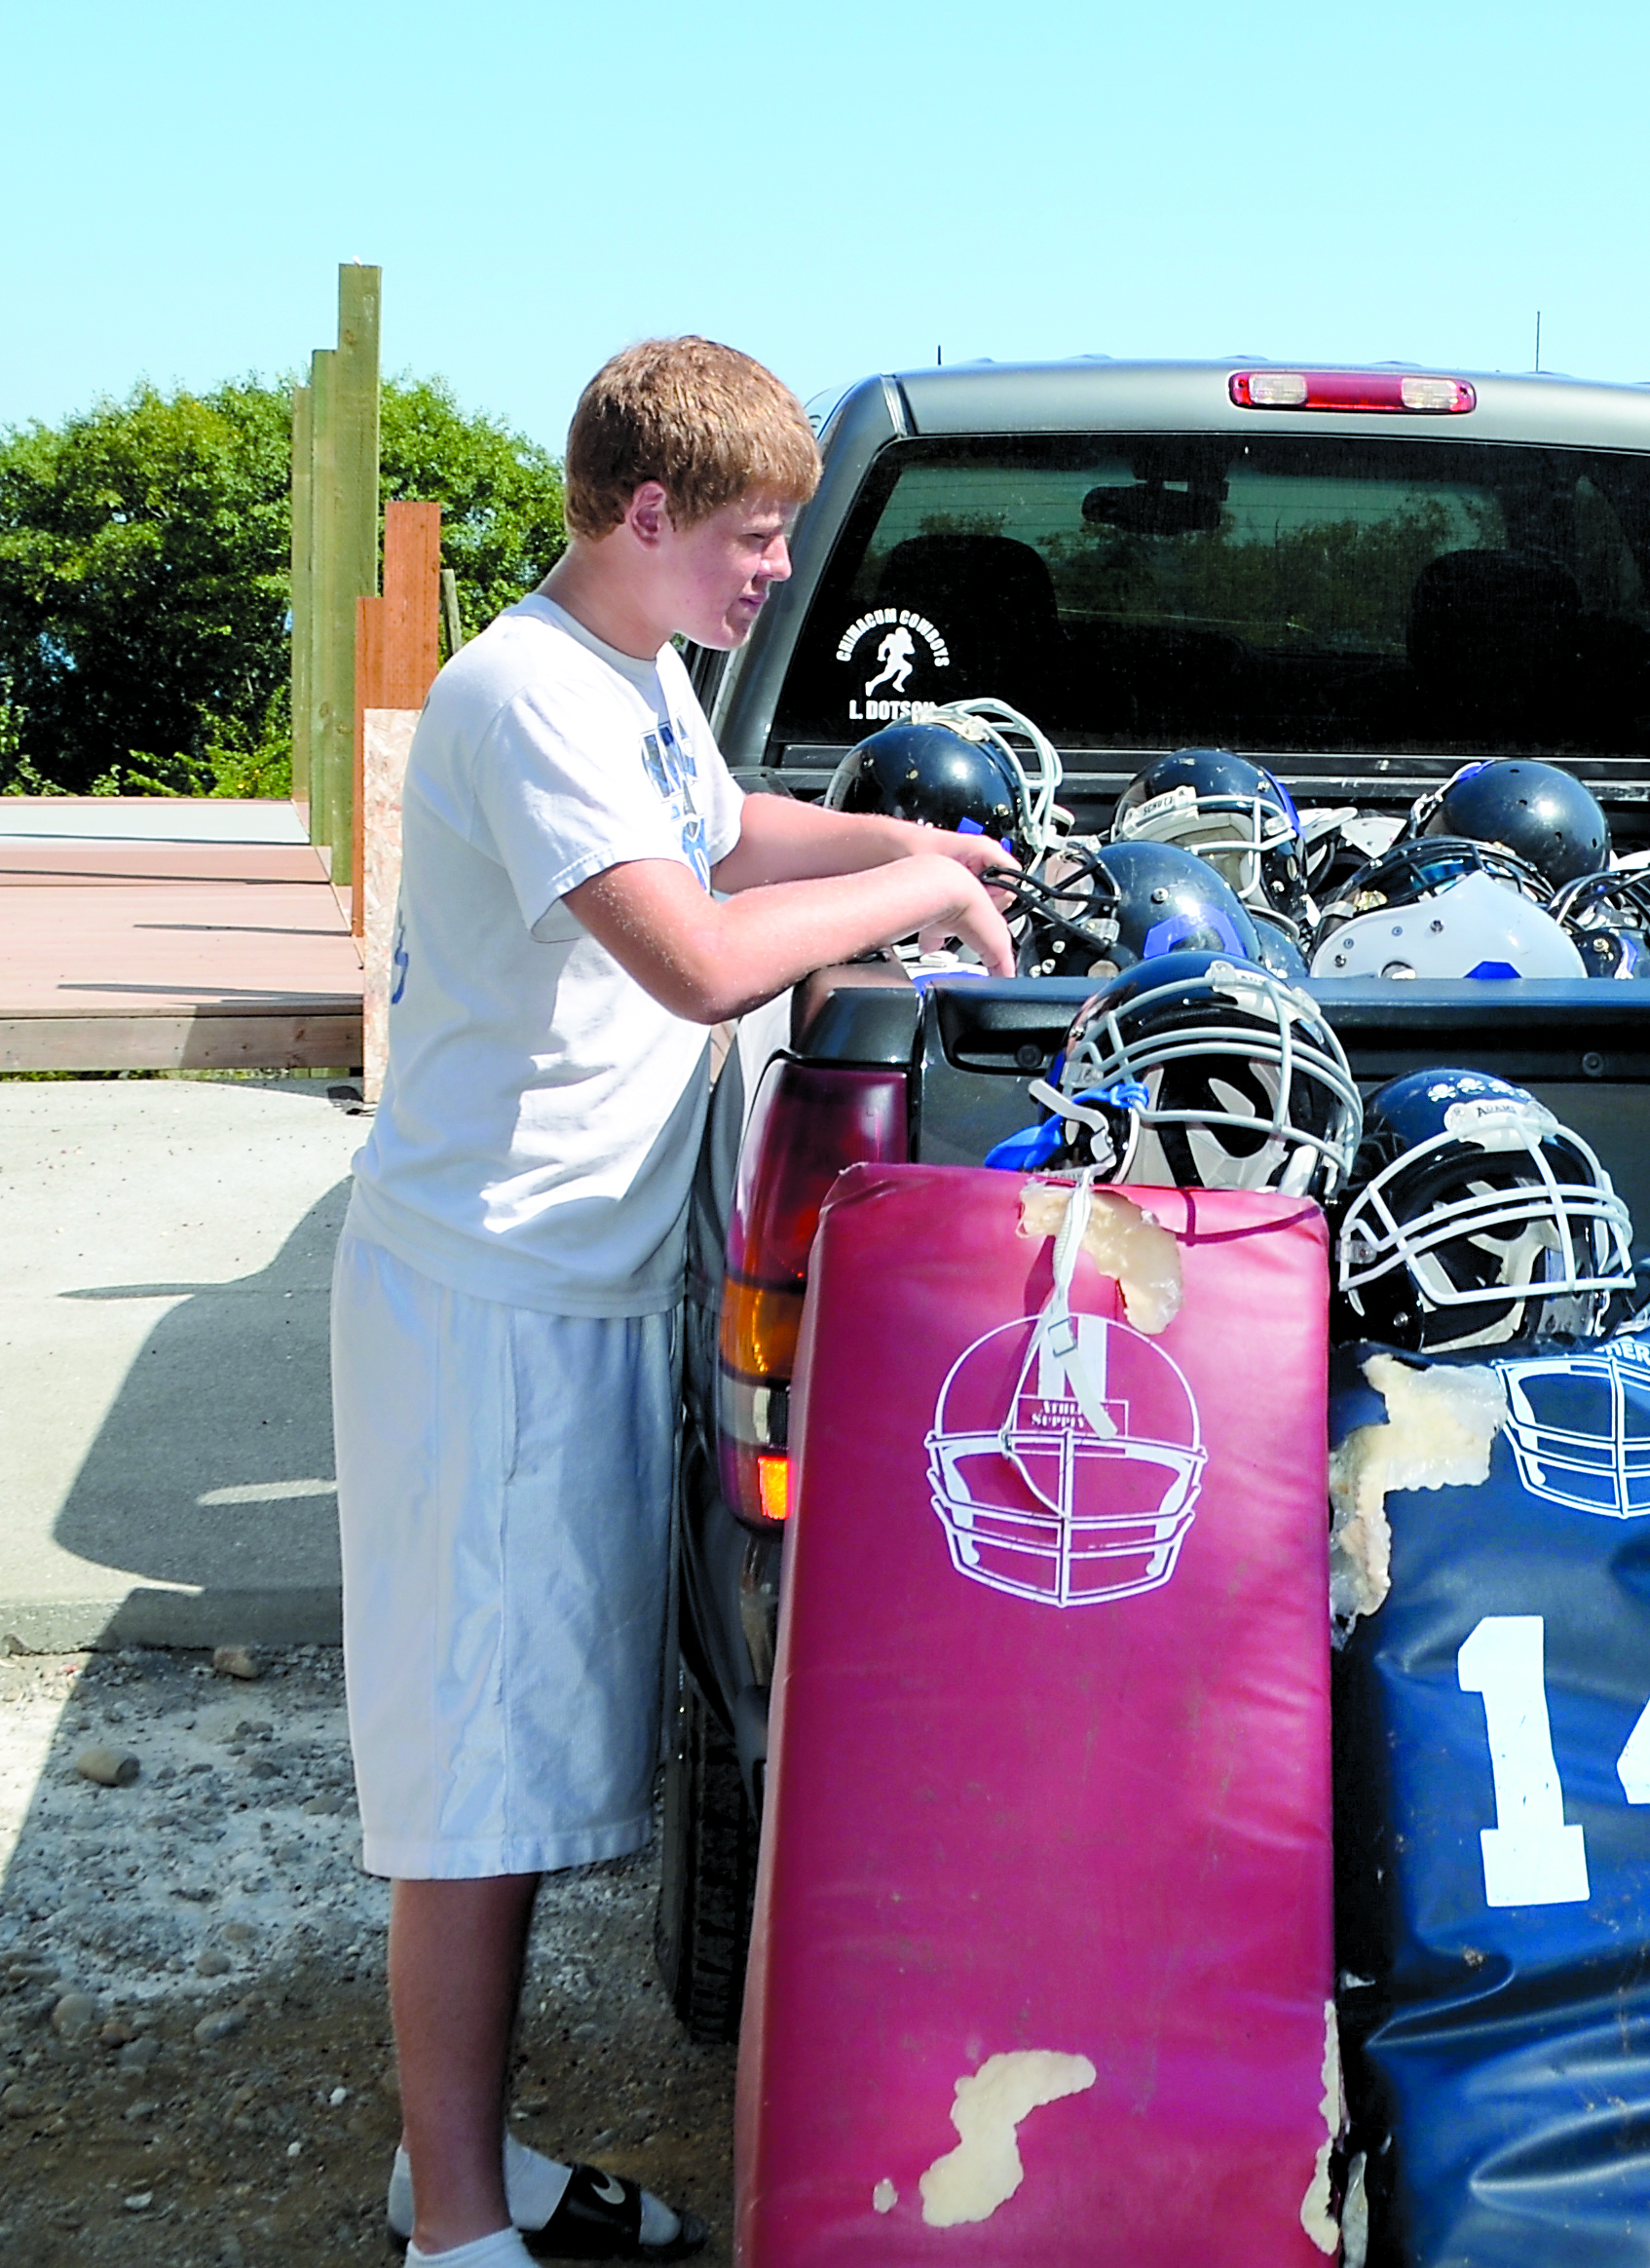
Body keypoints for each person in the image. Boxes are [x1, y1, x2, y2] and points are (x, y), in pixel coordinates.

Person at [332, 338, 1015, 2268]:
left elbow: (718, 837)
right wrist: (896, 908)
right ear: (645, 517)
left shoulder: (632, 673)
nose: (772, 575)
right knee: (478, 1783)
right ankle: (455, 2228)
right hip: (484, 1310)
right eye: (750, 537)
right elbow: (701, 957)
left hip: (580, 1291)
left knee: (538, 1754)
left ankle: (448, 2164)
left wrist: (912, 845)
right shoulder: (523, 692)